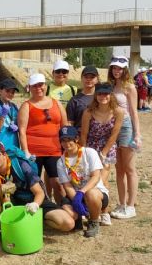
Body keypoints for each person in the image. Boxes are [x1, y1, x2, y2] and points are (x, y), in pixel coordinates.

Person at [0, 140, 69, 247]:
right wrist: (1, 189)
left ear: (4, 154)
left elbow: (39, 192)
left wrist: (35, 204)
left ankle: (36, 222)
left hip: (31, 201)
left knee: (67, 223)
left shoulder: (20, 165)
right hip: (11, 204)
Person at [18, 73, 68, 204]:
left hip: (55, 150)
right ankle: (40, 211)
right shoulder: (26, 105)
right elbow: (22, 131)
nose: (38, 88)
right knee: (34, 184)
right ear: (30, 88)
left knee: (58, 182)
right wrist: (26, 152)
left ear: (45, 86)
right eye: (34, 86)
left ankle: (63, 208)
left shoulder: (56, 103)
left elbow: (65, 127)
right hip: (34, 152)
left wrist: (66, 147)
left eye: (41, 85)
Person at [80, 83, 124, 225]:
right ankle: (95, 211)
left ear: (111, 95)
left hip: (108, 148)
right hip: (91, 147)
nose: (103, 97)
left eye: (106, 94)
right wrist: (84, 153)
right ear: (96, 95)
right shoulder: (88, 112)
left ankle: (103, 212)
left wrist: (103, 153)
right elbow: (84, 135)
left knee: (101, 180)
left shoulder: (118, 111)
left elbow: (114, 135)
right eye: (100, 94)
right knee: (88, 180)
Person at [56, 126, 109, 238]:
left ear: (76, 139)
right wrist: (76, 199)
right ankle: (79, 217)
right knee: (68, 212)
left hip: (95, 193)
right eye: (63, 140)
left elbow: (95, 176)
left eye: (69, 139)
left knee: (91, 194)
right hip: (75, 194)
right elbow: (67, 184)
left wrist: (82, 192)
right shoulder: (61, 162)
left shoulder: (89, 153)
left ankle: (93, 221)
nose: (66, 143)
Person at [107, 56, 141, 220]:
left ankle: (131, 205)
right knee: (118, 169)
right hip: (113, 126)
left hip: (126, 126)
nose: (117, 71)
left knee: (129, 168)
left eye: (120, 68)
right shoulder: (111, 86)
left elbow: (134, 112)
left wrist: (137, 134)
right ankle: (121, 203)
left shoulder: (129, 87)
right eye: (114, 68)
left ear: (125, 69)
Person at [0, 78, 20, 150]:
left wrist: (17, 127)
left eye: (12, 92)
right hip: (1, 148)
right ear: (0, 91)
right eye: (7, 91)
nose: (10, 94)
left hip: (14, 147)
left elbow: (21, 126)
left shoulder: (14, 107)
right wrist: (3, 116)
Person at [66, 65, 99, 131]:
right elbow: (70, 123)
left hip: (98, 137)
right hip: (80, 136)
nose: (88, 79)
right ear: (81, 78)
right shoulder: (74, 100)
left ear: (97, 79)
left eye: (92, 77)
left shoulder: (102, 97)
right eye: (86, 77)